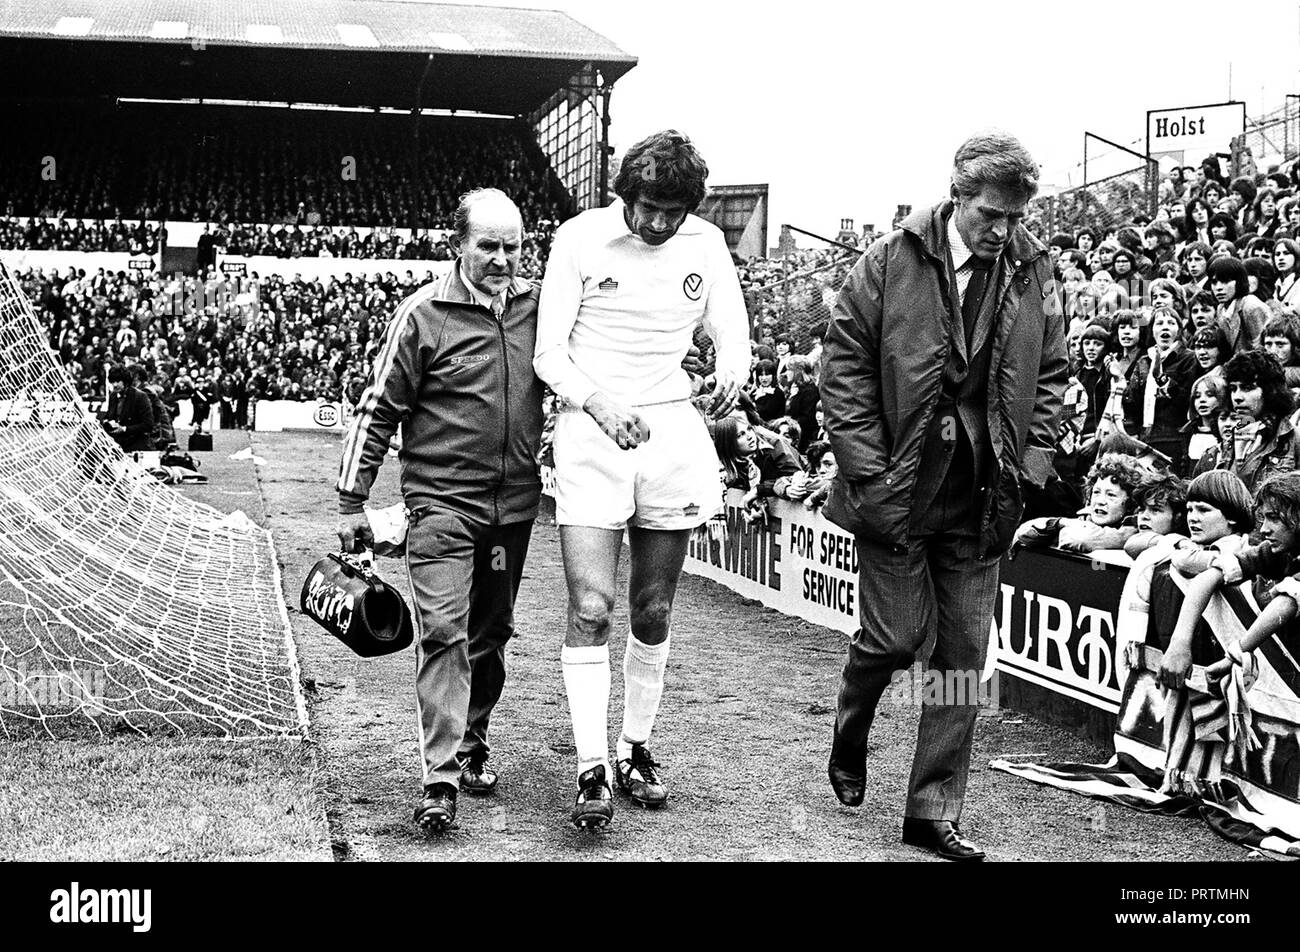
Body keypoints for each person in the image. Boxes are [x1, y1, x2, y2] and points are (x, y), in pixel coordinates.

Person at [820, 132, 1066, 861]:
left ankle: (932, 810)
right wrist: (867, 467)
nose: (1004, 230)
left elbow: (1051, 368)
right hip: (897, 486)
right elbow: (844, 367)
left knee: (962, 657)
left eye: (1015, 217)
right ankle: (852, 720)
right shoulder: (888, 260)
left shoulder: (1034, 266)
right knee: (894, 640)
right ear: (957, 195)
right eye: (991, 214)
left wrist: (1032, 461)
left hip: (985, 491)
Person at [533, 129, 750, 829]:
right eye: (648, 207)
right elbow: (547, 352)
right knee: (591, 608)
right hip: (593, 433)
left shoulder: (706, 245)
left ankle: (635, 749)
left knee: (652, 609)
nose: (659, 223)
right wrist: (596, 401)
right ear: (625, 193)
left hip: (672, 438)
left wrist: (731, 373)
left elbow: (733, 333)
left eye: (673, 212)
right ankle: (590, 766)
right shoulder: (579, 238)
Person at [335, 188, 543, 835]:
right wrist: (352, 499)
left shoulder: (542, 309)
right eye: (489, 246)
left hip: (510, 515)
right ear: (457, 245)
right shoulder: (423, 315)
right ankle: (441, 777)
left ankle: (473, 737)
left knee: (491, 633)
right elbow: (379, 408)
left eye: (513, 247)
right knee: (446, 632)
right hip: (442, 511)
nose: (503, 259)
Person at [104, 363, 155, 453]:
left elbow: (148, 425)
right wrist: (107, 422)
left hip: (137, 444)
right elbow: (109, 416)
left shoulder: (140, 396)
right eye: (112, 382)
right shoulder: (113, 396)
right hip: (118, 444)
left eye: (118, 381)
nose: (115, 385)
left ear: (125, 381)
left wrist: (124, 429)